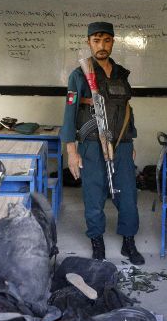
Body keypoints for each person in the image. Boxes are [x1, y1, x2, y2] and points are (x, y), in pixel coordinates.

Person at [61, 21, 144, 265]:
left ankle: (129, 241)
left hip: (122, 144)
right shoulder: (79, 75)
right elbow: (70, 113)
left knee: (128, 194)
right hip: (91, 145)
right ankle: (97, 240)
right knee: (94, 195)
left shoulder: (121, 74)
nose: (102, 45)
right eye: (96, 40)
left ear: (113, 42)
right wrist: (72, 151)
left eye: (106, 40)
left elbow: (126, 109)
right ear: (89, 42)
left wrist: (129, 139)